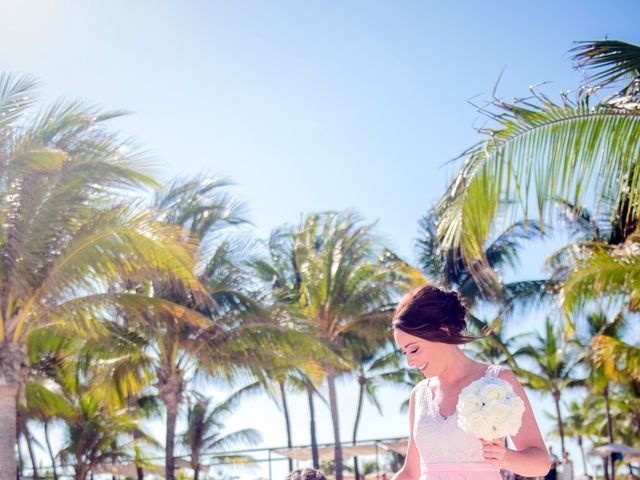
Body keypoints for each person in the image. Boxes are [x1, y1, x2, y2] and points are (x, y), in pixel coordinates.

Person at [390, 285, 551, 480]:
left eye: (414, 349)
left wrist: (505, 457)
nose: (409, 362)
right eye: (404, 352)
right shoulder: (419, 395)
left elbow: (541, 463)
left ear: (444, 331)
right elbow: (410, 472)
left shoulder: (497, 380)